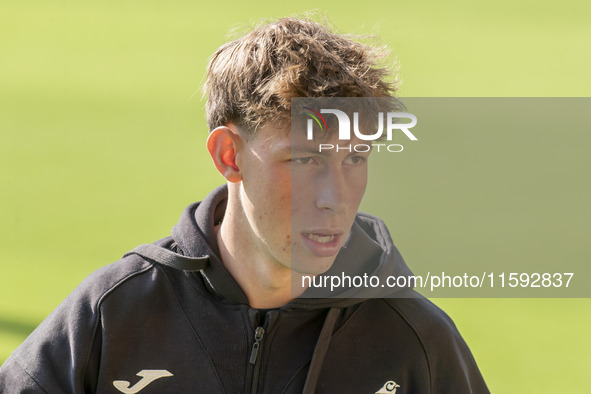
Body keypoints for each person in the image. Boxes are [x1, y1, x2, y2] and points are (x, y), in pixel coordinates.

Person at [0, 17, 489, 393]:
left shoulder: (414, 340)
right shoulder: (115, 312)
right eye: (304, 160)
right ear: (229, 156)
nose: (335, 198)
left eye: (355, 157)